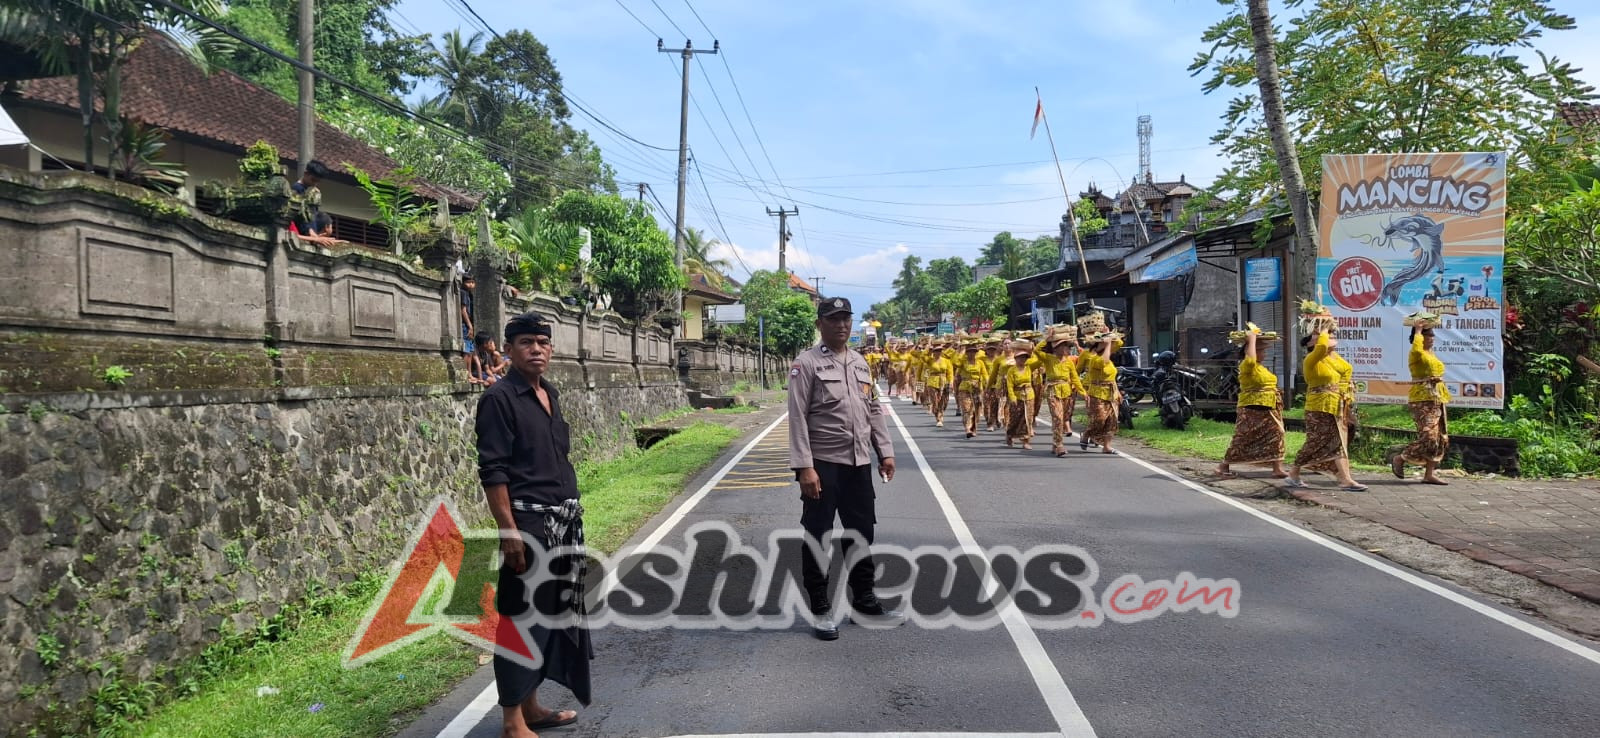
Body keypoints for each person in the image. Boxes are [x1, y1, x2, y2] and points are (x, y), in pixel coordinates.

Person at [474, 312, 591, 738]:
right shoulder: (499, 400)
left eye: (542, 342)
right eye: (526, 342)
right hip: (529, 526)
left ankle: (532, 706)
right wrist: (509, 532)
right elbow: (494, 471)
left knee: (552, 618)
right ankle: (511, 722)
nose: (536, 349)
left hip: (563, 526)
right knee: (521, 619)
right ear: (508, 349)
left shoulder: (549, 393)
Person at [787, 297, 902, 641]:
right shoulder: (805, 364)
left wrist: (885, 452)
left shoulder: (861, 363)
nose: (841, 325)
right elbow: (796, 418)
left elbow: (874, 410)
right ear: (820, 323)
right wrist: (805, 467)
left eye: (845, 319)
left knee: (862, 533)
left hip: (858, 463)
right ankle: (821, 607)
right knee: (818, 533)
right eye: (833, 319)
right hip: (822, 464)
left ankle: (864, 601)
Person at [1285, 329, 1368, 491]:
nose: (1329, 337)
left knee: (1338, 442)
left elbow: (1346, 372)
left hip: (1337, 405)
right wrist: (1321, 326)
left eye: (1331, 336)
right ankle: (1297, 473)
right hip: (1319, 407)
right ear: (1311, 343)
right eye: (1324, 336)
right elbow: (1322, 347)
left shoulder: (1334, 358)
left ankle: (1344, 478)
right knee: (1317, 442)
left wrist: (1348, 397)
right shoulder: (1311, 359)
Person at [1215, 329, 1288, 479]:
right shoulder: (1246, 365)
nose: (1264, 354)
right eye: (1260, 351)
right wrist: (1252, 340)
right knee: (1244, 437)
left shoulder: (1261, 368)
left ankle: (1277, 468)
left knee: (1277, 434)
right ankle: (1223, 466)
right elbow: (1250, 359)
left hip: (1269, 406)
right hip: (1252, 407)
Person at [1391, 322, 1452, 485]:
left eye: (1432, 335)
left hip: (1437, 398)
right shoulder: (1416, 354)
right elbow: (1417, 348)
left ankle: (1429, 474)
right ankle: (1401, 457)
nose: (1431, 338)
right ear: (1420, 338)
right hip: (1422, 399)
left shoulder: (1431, 354)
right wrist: (1418, 330)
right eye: (1427, 335)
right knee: (1429, 436)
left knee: (1440, 438)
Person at [1035, 326, 1086, 457]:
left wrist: (1083, 393)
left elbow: (1075, 378)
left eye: (1066, 346)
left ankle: (1055, 443)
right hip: (1053, 391)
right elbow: (1036, 350)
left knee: (1062, 419)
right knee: (1057, 417)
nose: (1065, 348)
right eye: (1061, 346)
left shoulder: (1069, 362)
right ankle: (1059, 445)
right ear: (1055, 348)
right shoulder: (1048, 358)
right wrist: (1046, 338)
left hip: (1067, 392)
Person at [1078, 331, 1123, 454]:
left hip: (1111, 393)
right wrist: (1107, 344)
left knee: (1112, 421)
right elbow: (1104, 361)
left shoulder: (1110, 360)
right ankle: (1087, 434)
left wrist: (1108, 334)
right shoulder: (1095, 359)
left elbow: (1119, 343)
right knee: (1100, 419)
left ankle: (1106, 446)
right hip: (1097, 393)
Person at [1003, 339, 1037, 450]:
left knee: (1028, 418)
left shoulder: (1029, 368)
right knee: (1015, 419)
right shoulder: (1011, 371)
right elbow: (1009, 386)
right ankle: (1010, 434)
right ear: (1016, 358)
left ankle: (1025, 440)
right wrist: (1012, 397)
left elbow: (1040, 360)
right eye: (1020, 357)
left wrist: (1033, 349)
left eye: (1024, 357)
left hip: (1029, 395)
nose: (1022, 359)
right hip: (1017, 396)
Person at [955, 339, 990, 439]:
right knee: (966, 409)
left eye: (973, 351)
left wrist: (986, 384)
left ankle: (974, 428)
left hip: (977, 388)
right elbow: (955, 363)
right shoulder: (963, 362)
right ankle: (967, 428)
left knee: (976, 409)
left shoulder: (980, 363)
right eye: (969, 351)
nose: (971, 353)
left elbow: (984, 375)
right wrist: (961, 351)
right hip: (964, 387)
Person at [290, 160, 334, 237]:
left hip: (312, 224)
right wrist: (309, 230)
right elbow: (302, 213)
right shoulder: (297, 188)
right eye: (313, 180)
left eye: (317, 181)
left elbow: (315, 213)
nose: (314, 183)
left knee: (324, 217)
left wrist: (328, 222)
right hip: (302, 225)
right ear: (306, 174)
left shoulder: (313, 190)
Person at [924, 340, 955, 427]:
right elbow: (923, 357)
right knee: (935, 401)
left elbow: (950, 372)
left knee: (944, 400)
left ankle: (941, 412)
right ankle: (938, 418)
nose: (938, 352)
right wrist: (928, 348)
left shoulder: (946, 361)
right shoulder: (930, 360)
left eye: (940, 350)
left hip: (943, 381)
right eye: (936, 351)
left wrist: (951, 381)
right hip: (932, 381)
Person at [462, 276, 482, 385]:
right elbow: (463, 310)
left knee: (469, 351)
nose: (471, 285)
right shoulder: (463, 293)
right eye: (468, 282)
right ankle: (466, 374)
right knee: (466, 351)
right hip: (465, 325)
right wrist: (470, 326)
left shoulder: (469, 295)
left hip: (468, 325)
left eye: (473, 282)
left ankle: (469, 374)